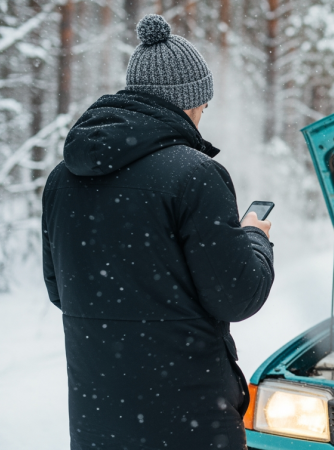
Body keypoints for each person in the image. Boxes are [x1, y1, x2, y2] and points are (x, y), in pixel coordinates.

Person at [41, 14, 274, 450]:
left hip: (98, 419)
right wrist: (254, 238)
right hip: (189, 420)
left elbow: (61, 291)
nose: (202, 117)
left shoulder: (62, 178)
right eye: (204, 106)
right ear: (188, 102)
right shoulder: (195, 174)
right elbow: (238, 295)